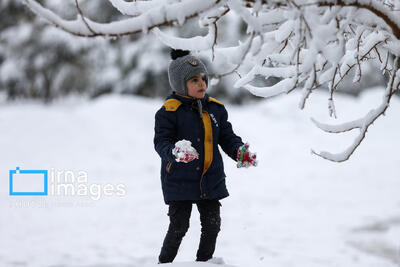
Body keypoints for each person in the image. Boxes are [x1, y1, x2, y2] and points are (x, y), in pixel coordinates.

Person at [154, 49, 257, 264]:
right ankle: (164, 263)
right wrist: (174, 152)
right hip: (179, 181)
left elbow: (227, 137)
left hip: (210, 179)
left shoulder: (215, 109)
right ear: (180, 84)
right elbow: (161, 142)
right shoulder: (169, 111)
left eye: (203, 78)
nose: (201, 83)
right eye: (194, 80)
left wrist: (239, 152)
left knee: (212, 224)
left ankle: (204, 262)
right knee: (179, 226)